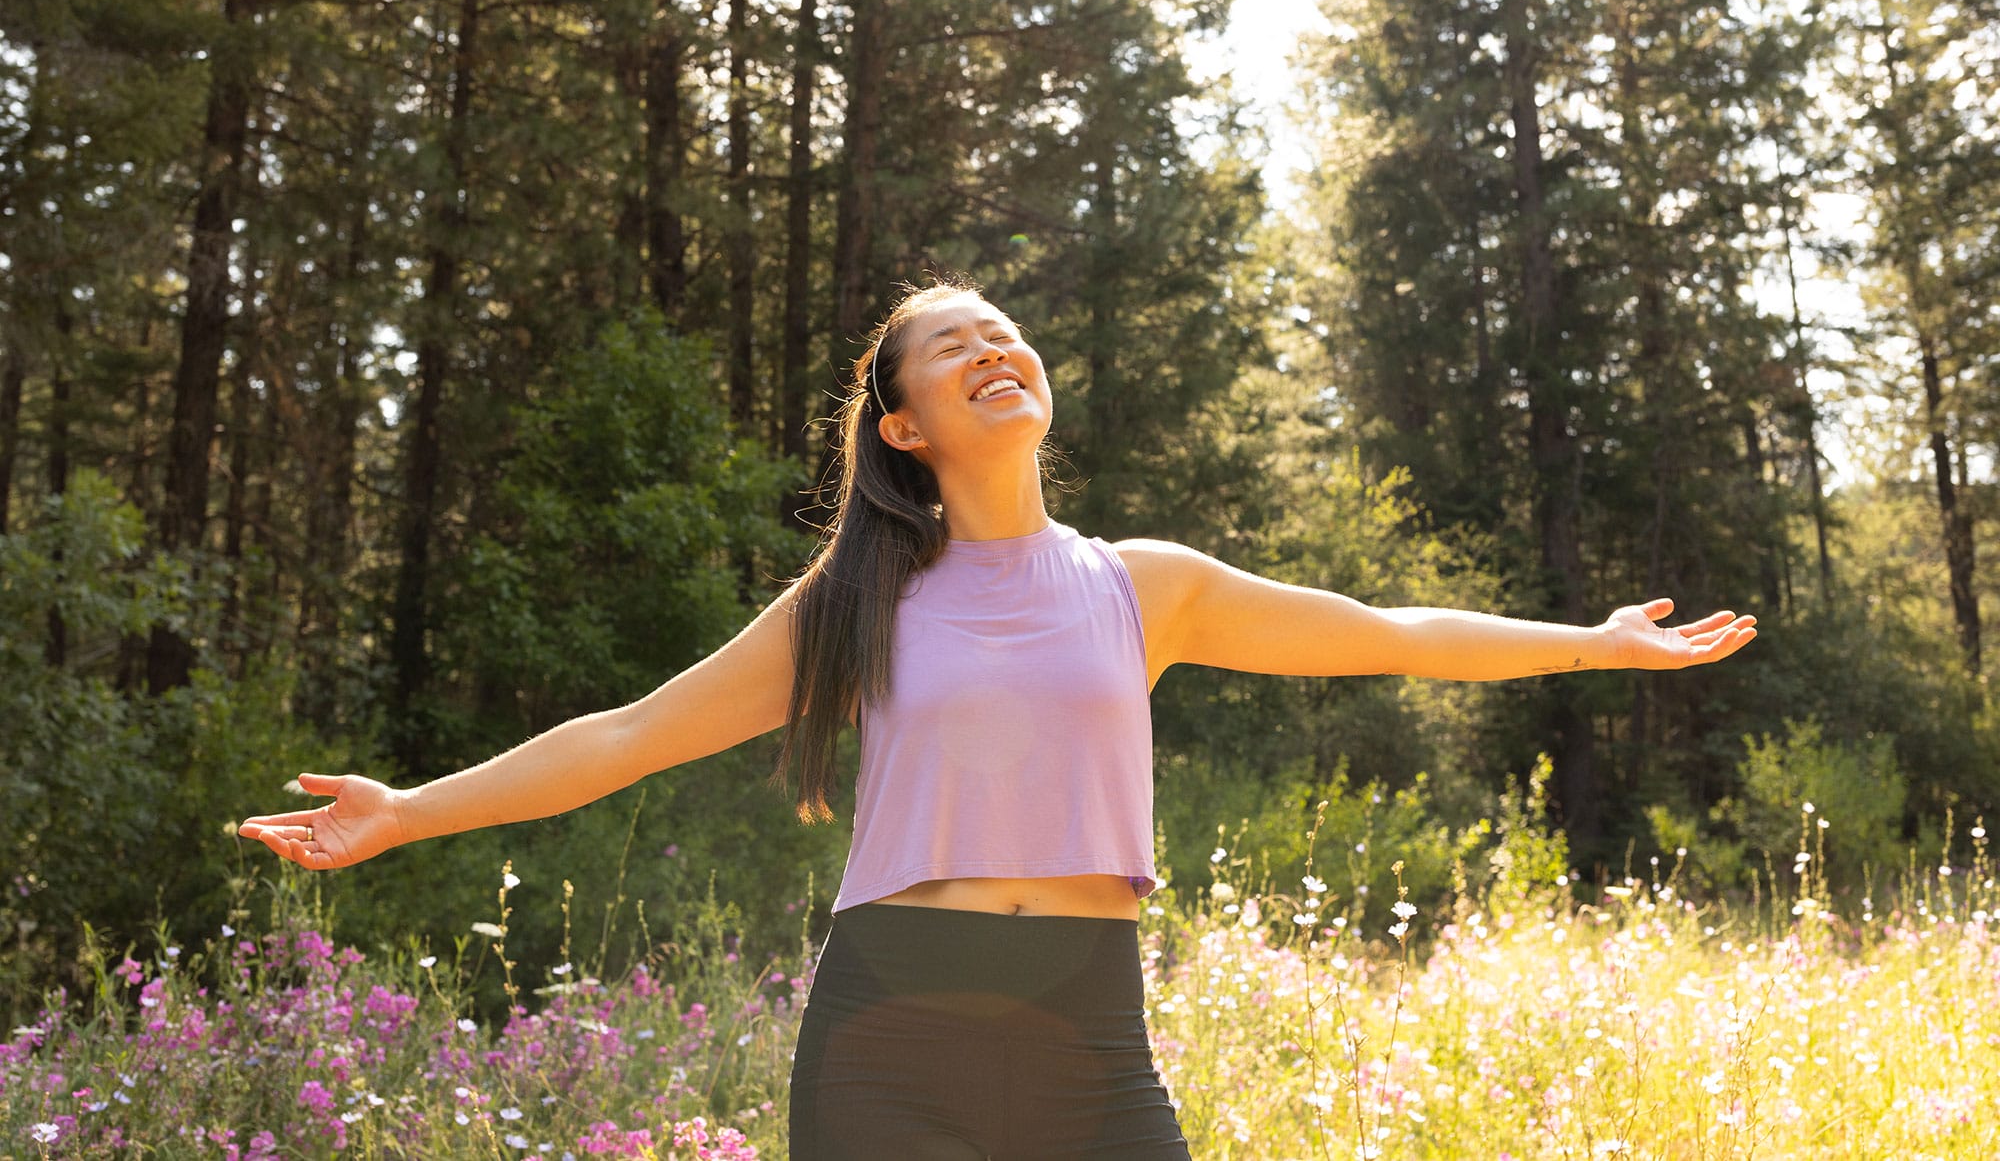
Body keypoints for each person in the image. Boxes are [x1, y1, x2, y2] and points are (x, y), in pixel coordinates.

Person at [240, 272, 1758, 1159]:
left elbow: (1387, 634)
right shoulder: (853, 599)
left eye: (1005, 331)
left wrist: (1592, 643)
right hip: (891, 1029)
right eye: (952, 345)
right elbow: (630, 735)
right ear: (904, 422)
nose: (992, 348)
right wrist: (411, 805)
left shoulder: (1144, 585)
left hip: (1092, 1023)